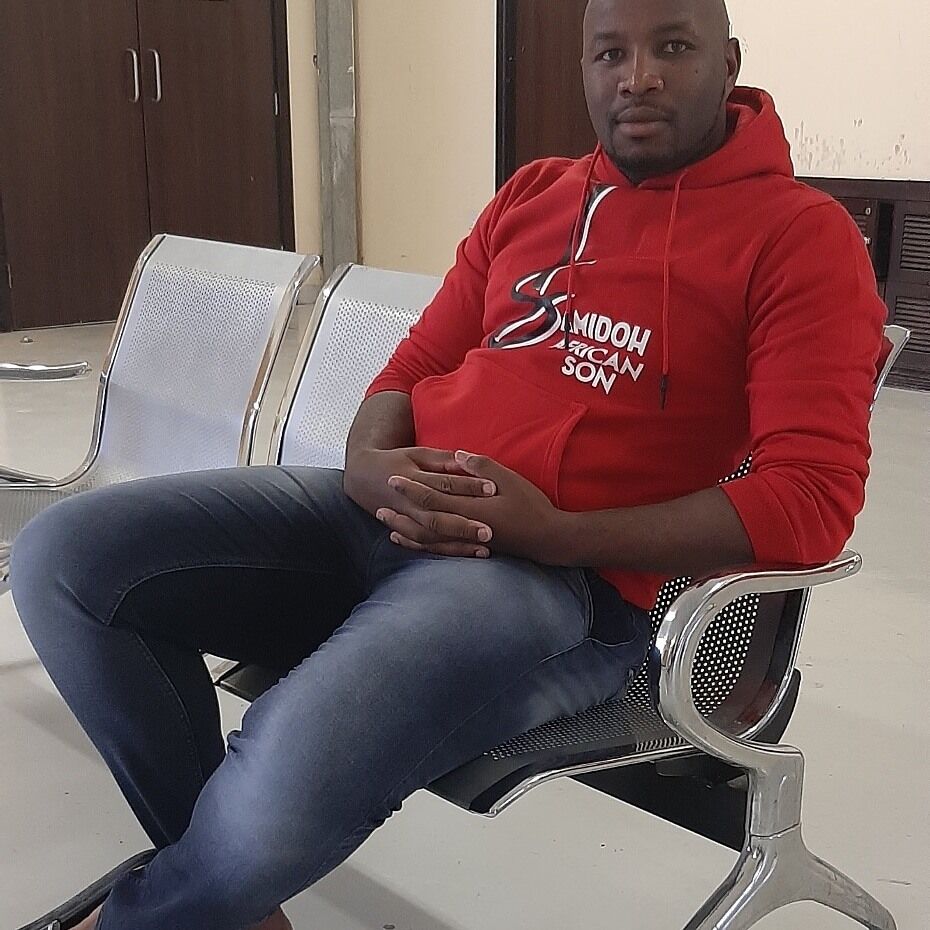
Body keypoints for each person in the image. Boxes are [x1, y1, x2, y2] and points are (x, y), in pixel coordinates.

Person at [10, 0, 885, 927]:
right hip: (376, 513)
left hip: (551, 588)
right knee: (64, 559)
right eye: (610, 53)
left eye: (673, 48)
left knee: (287, 760)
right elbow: (415, 365)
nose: (639, 77)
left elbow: (811, 498)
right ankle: (223, 902)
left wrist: (559, 534)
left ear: (729, 62)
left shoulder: (798, 236)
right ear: (584, 68)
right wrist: (365, 461)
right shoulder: (536, 195)